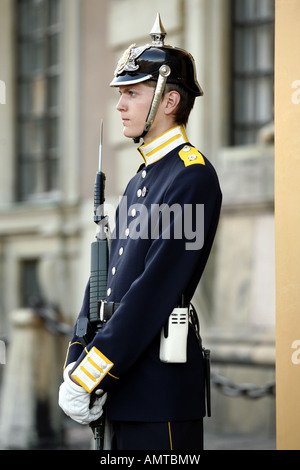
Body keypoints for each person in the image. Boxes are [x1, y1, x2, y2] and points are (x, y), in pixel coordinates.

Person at [59, 14, 222, 450]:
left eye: (132, 93)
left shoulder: (192, 177)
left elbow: (152, 292)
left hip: (158, 397)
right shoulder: (141, 179)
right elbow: (106, 278)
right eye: (121, 94)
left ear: (169, 101)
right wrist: (77, 357)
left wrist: (94, 369)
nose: (120, 105)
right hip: (123, 389)